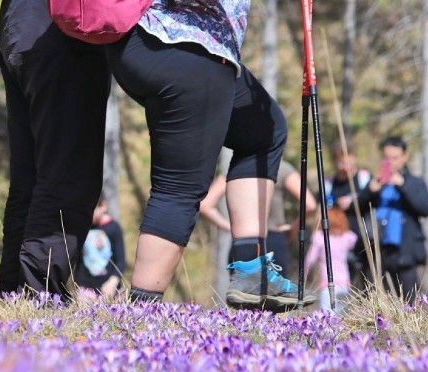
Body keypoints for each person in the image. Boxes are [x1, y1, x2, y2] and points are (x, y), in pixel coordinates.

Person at [106, 0, 315, 310]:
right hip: (184, 43)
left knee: (265, 131)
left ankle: (251, 271)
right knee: (179, 187)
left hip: (166, 44)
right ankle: (139, 316)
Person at [0, 0, 111, 301]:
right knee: (68, 174)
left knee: (30, 177)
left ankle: (15, 292)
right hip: (62, 29)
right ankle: (41, 293)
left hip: (19, 28)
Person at [199, 159, 318, 279]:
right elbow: (310, 205)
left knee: (242, 294)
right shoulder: (281, 167)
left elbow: (205, 206)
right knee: (273, 294)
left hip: (242, 241)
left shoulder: (236, 167)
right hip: (273, 239)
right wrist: (293, 228)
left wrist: (231, 227)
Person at [360, 136, 428, 302]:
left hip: (405, 253)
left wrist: (402, 185)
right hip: (378, 252)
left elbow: (425, 209)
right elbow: (357, 208)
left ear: (404, 157)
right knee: (373, 301)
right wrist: (370, 191)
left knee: (409, 302)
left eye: (395, 158)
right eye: (386, 158)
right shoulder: (376, 182)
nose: (390, 162)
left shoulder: (414, 182)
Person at [325, 141, 373, 289]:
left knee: (367, 283)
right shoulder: (329, 183)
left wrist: (353, 201)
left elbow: (373, 198)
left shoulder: (364, 178)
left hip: (364, 239)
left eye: (349, 162)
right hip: (340, 242)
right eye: (341, 163)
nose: (346, 167)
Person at [304, 207, 357, 313]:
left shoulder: (320, 237)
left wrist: (304, 276)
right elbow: (354, 239)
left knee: (328, 319)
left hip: (328, 285)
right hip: (345, 284)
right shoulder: (347, 236)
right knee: (342, 319)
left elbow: (310, 260)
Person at [73, 195, 126, 298]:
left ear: (104, 206)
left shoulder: (113, 227)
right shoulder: (83, 227)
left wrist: (113, 281)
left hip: (110, 287)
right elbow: (79, 259)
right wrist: (77, 284)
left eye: (92, 209)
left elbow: (121, 261)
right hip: (86, 287)